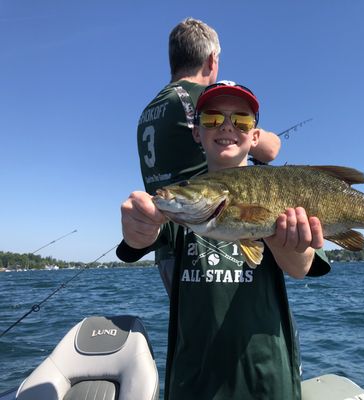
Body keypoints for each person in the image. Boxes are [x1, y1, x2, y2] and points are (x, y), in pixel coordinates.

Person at [118, 81, 330, 399]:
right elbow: (142, 240)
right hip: (194, 384)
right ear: (196, 132)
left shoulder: (282, 190)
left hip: (267, 380)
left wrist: (283, 236)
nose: (227, 126)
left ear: (254, 136)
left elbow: (301, 268)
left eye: (241, 121)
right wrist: (138, 227)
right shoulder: (181, 208)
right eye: (213, 119)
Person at [137, 18, 281, 294]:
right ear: (212, 60)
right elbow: (271, 150)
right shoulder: (197, 97)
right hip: (210, 237)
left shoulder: (150, 108)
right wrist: (249, 129)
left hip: (169, 245)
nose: (222, 122)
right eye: (214, 118)